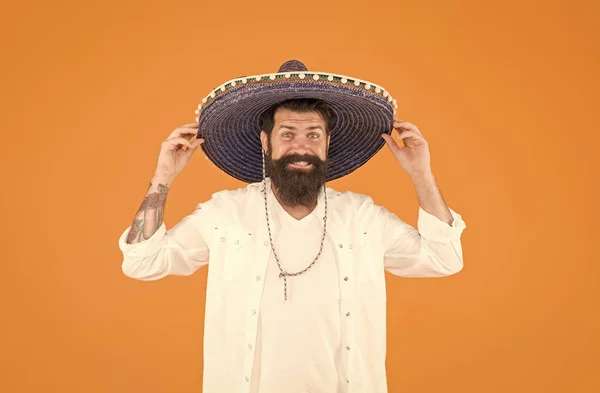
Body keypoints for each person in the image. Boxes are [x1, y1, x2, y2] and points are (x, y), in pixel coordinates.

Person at [118, 60, 466, 393]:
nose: (302, 146)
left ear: (328, 143)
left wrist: (421, 174)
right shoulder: (225, 213)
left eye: (314, 134)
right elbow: (142, 262)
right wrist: (163, 178)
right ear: (266, 142)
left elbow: (444, 258)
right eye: (288, 133)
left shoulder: (362, 217)